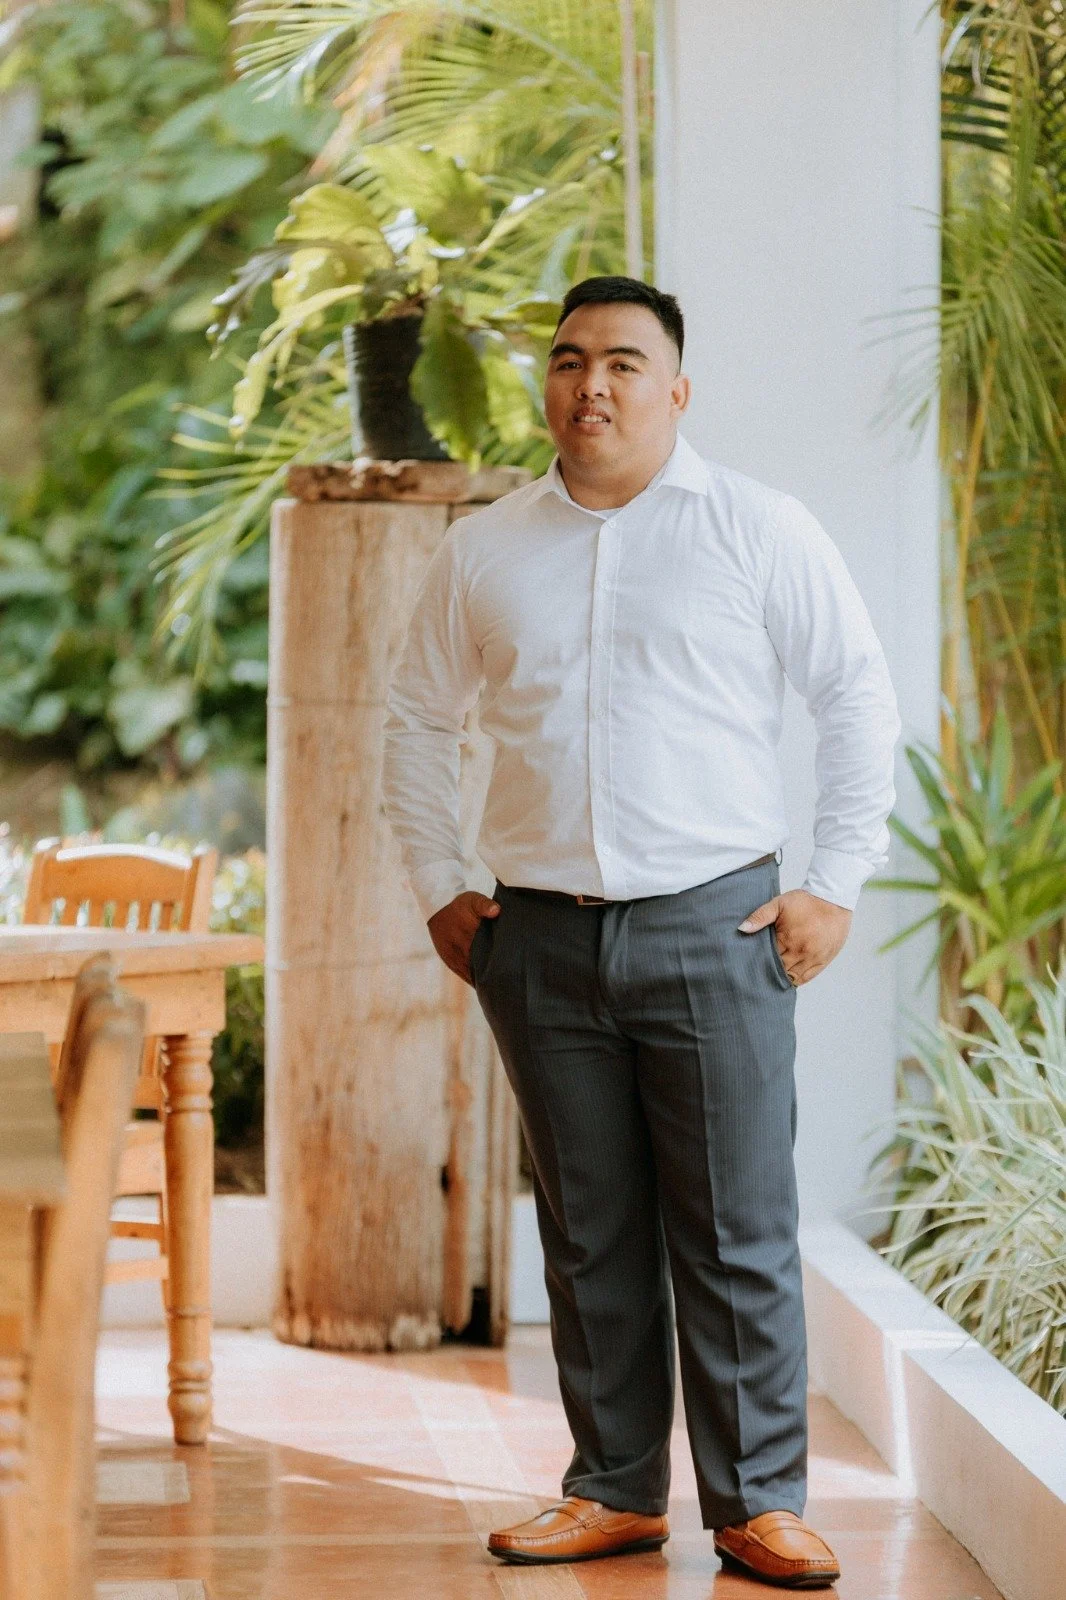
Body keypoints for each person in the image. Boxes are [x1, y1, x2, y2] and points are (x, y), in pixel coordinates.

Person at [381, 275, 901, 1589]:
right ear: (547, 385)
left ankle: (758, 1505)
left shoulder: (756, 528)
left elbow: (852, 694)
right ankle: (611, 1489)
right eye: (569, 361)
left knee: (735, 1230)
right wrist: (440, 880)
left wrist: (834, 880)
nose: (591, 385)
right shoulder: (486, 548)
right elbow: (416, 718)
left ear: (676, 389)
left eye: (622, 362)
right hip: (539, 942)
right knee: (587, 1231)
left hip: (715, 929)